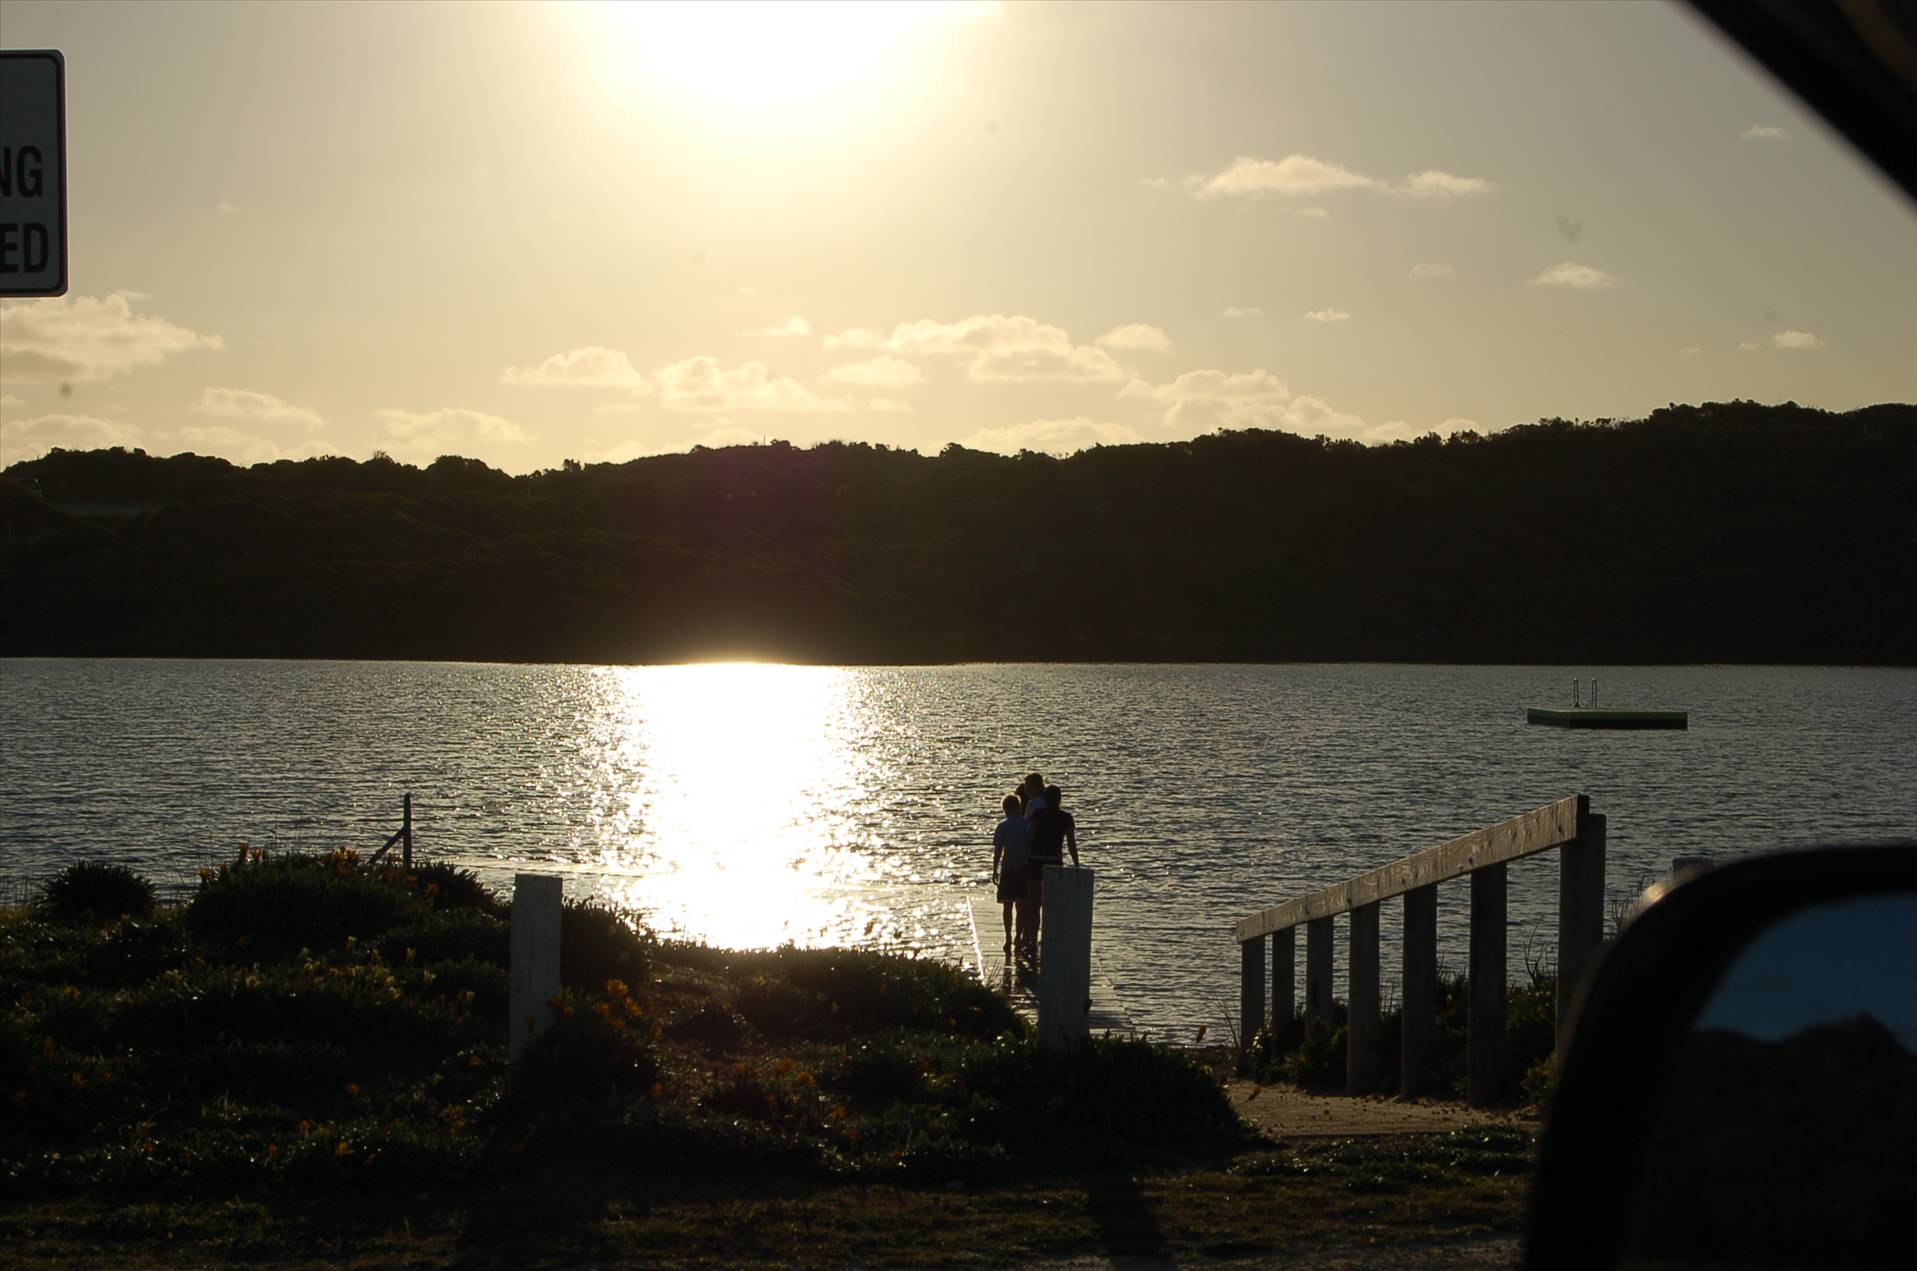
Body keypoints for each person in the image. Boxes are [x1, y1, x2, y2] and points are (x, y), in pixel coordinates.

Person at [1022, 782, 1078, 967]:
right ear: (1059, 799)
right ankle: (1049, 940)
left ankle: (1030, 941)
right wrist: (1076, 864)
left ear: (1045, 799)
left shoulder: (1038, 815)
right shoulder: (1066, 818)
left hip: (1035, 861)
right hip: (1054, 862)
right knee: (1052, 905)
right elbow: (1071, 843)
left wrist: (1023, 857)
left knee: (1033, 905)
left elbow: (1029, 837)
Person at [990, 792, 1027, 958]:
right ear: (1019, 807)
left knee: (1007, 906)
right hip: (1023, 868)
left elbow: (998, 850)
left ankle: (1007, 937)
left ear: (1005, 809)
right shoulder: (1027, 824)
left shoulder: (1002, 826)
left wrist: (994, 869)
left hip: (1007, 868)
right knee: (1021, 905)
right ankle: (1018, 936)